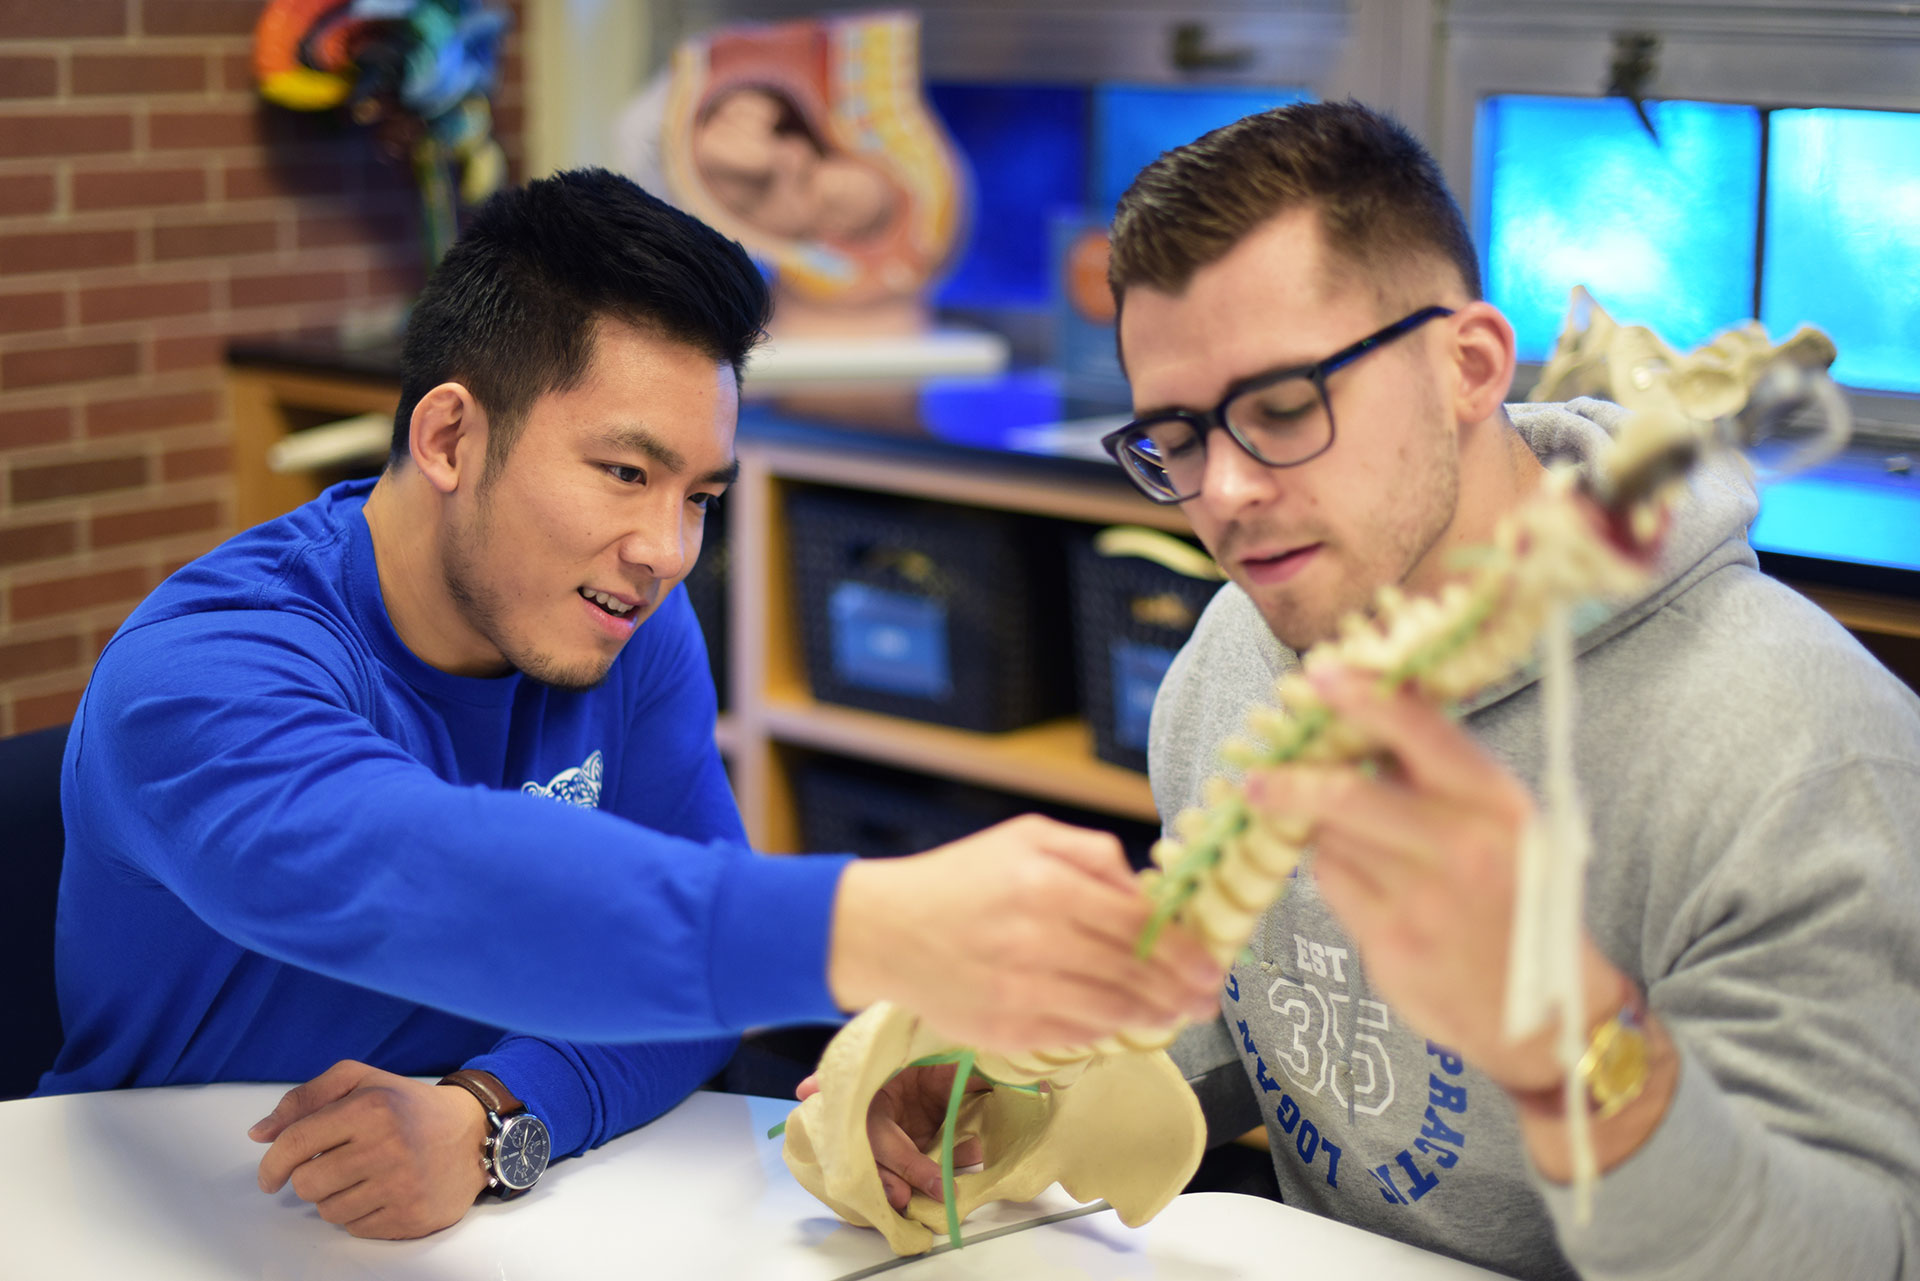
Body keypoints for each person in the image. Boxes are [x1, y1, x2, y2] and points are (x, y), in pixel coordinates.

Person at [38, 168, 1224, 1241]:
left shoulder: (621, 619)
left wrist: (494, 1113)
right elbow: (429, 879)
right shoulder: (202, 677)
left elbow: (681, 999)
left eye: (699, 492)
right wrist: (873, 927)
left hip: (471, 1230)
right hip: (154, 1220)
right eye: (624, 472)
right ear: (449, 434)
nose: (664, 551)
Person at [849, 102, 1920, 1277]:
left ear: (1468, 366)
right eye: (1178, 436)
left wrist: (1565, 1036)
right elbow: (1261, 1016)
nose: (1228, 493)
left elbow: (1852, 1252)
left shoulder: (1802, 747)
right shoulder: (1234, 653)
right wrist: (1002, 1088)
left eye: (1284, 408)